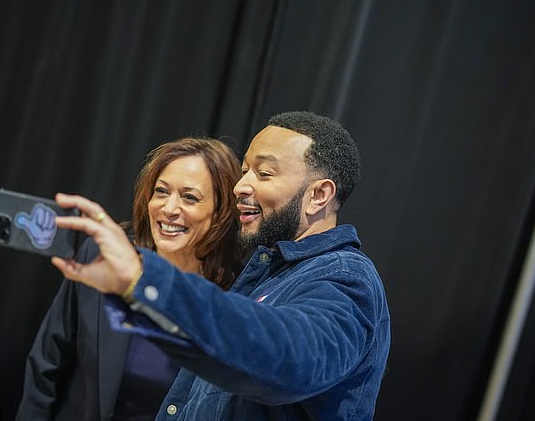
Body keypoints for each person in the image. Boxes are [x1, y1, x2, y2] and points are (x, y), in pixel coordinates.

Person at [51, 111, 391, 420]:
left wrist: (145, 278)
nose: (240, 186)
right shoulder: (268, 271)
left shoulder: (344, 277)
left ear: (319, 195)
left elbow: (292, 359)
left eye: (264, 173)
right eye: (244, 172)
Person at [15, 137, 242, 420]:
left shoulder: (238, 294)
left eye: (190, 197)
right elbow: (46, 364)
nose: (169, 208)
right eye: (161, 191)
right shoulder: (102, 256)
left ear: (221, 211)